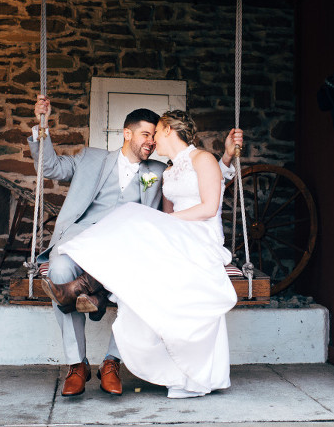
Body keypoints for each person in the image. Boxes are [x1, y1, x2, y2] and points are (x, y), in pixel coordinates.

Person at [28, 95, 242, 398]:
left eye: (155, 136)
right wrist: (42, 125)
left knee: (139, 271)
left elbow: (204, 183)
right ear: (127, 133)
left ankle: (111, 362)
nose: (151, 142)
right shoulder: (91, 158)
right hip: (81, 241)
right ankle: (77, 364)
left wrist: (228, 160)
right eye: (146, 135)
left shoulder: (158, 170)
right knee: (60, 270)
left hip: (128, 247)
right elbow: (50, 166)